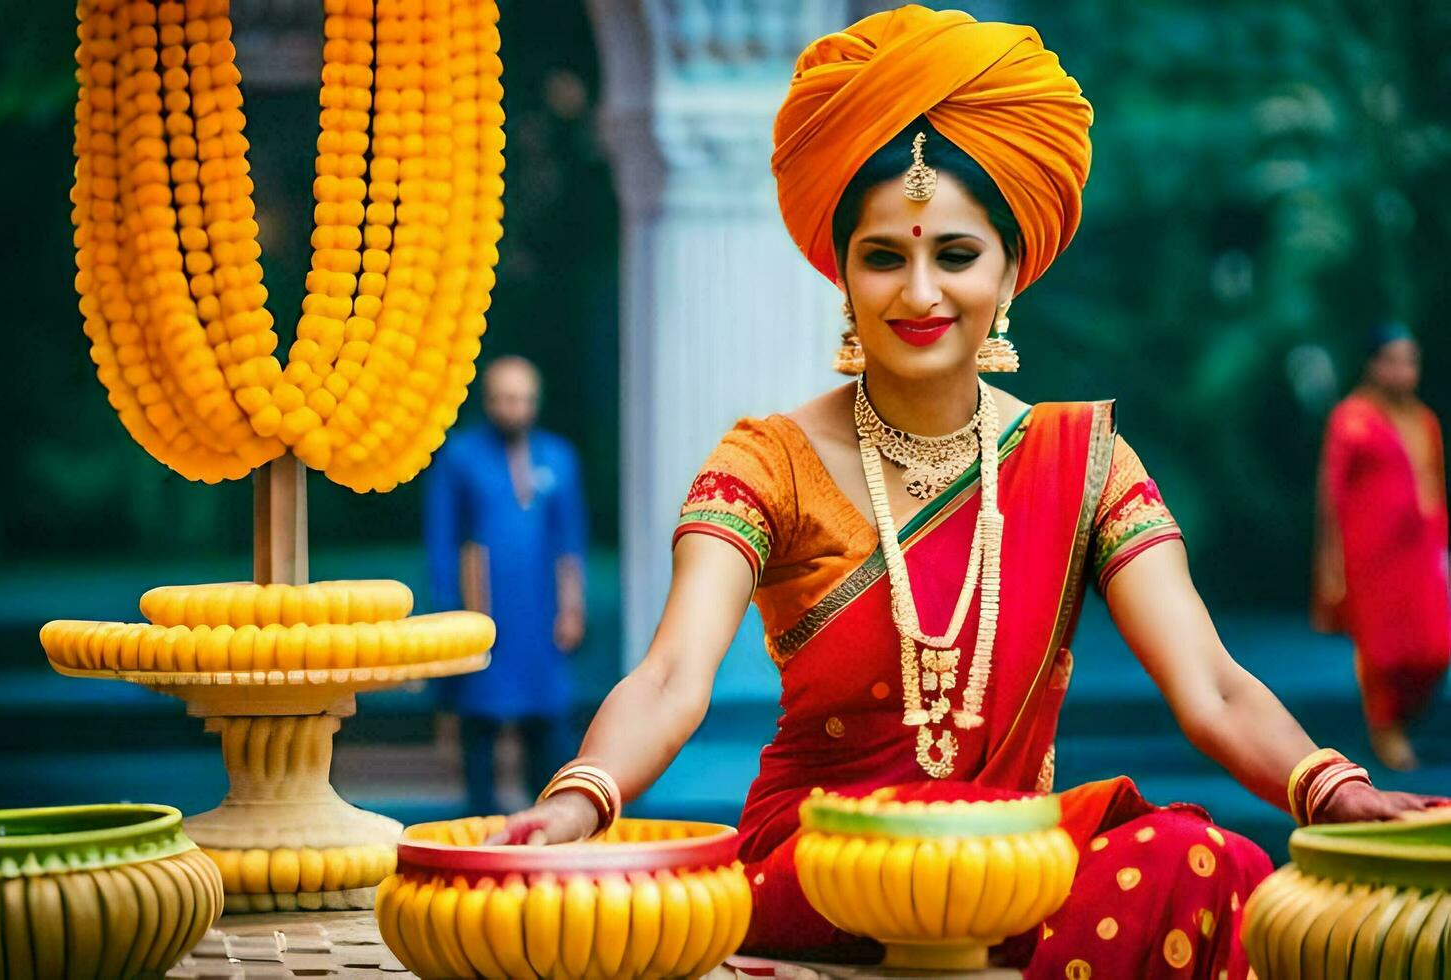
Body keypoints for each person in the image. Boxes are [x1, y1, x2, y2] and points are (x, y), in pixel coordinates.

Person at [493, 8, 1443, 976]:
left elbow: (1213, 684)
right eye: (883, 256)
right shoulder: (768, 459)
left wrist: (1330, 787)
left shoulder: (1087, 460)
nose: (918, 293)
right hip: (828, 860)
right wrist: (580, 795)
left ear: (1011, 268)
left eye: (954, 255)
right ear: (843, 271)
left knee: (1205, 864)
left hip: (1014, 860)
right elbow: (669, 676)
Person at [424, 355, 588, 814]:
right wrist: (449, 614)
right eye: (502, 398)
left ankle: (549, 827)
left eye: (520, 399)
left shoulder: (558, 457)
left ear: (534, 402)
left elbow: (569, 539)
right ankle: (479, 831)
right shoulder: (460, 457)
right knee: (479, 726)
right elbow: (442, 541)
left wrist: (573, 608)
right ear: (488, 400)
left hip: (541, 616)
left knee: (548, 727)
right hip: (483, 615)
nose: (511, 408)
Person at [1313, 323, 1449, 771]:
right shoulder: (1352, 418)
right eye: (1393, 360)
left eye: (1410, 360)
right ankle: (1385, 729)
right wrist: (1331, 560)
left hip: (1420, 554)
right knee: (1382, 652)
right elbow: (1331, 492)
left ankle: (1403, 717)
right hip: (1371, 558)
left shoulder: (1424, 420)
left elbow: (1433, 486)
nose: (1403, 370)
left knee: (1436, 647)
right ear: (1373, 365)